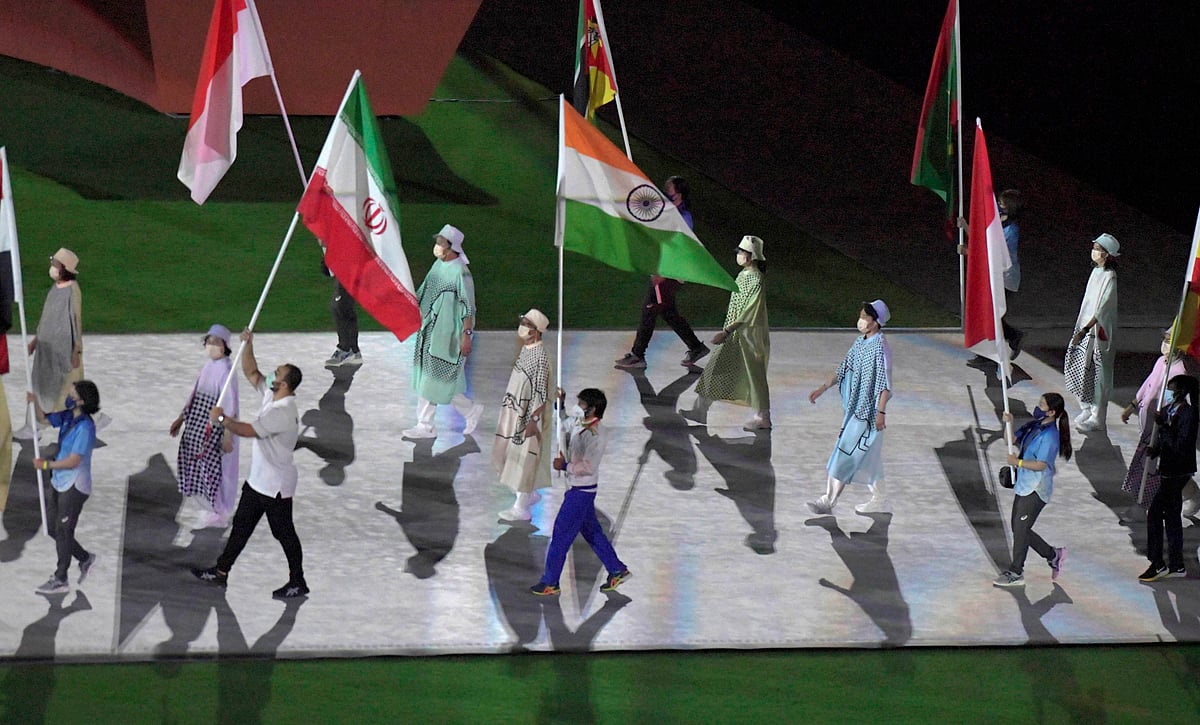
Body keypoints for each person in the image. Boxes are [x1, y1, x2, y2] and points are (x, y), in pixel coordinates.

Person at [192, 330, 308, 600]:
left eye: (277, 373)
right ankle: (220, 572)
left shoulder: (284, 413)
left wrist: (221, 420)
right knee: (240, 528)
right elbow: (251, 372)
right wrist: (248, 345)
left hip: (276, 487)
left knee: (284, 534)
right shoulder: (273, 394)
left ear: (285, 385)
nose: (272, 374)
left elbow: (248, 430)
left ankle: (298, 581)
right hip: (258, 482)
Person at [530, 388, 631, 596]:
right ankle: (617, 569)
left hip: (581, 492)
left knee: (560, 535)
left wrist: (564, 466)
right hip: (577, 489)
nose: (580, 407)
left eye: (582, 404)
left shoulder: (597, 435)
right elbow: (563, 426)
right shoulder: (581, 423)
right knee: (593, 533)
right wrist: (561, 404)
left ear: (593, 408)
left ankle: (551, 582)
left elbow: (588, 466)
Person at [614, 176, 710, 370]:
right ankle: (696, 347)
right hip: (662, 270)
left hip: (671, 274)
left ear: (679, 196)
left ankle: (637, 355)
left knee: (649, 310)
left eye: (669, 191)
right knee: (668, 312)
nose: (665, 194)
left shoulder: (684, 218)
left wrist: (663, 273)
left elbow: (679, 250)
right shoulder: (669, 214)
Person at [807, 300, 893, 515]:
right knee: (868, 459)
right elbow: (844, 368)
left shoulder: (880, 347)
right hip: (855, 410)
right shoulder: (860, 342)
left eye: (865, 316)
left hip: (867, 415)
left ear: (875, 322)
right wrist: (823, 388)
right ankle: (880, 498)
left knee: (844, 454)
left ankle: (828, 500)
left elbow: (885, 384)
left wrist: (880, 413)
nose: (861, 320)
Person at [681, 235, 771, 431]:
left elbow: (749, 310)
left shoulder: (755, 279)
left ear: (750, 256)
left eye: (741, 252)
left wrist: (727, 330)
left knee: (754, 376)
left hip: (747, 337)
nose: (738, 255)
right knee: (716, 370)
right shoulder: (744, 275)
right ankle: (700, 410)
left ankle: (763, 416)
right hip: (736, 335)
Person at [403, 224, 484, 439]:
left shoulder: (461, 273)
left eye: (441, 243)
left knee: (438, 379)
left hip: (449, 336)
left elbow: (469, 307)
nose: (437, 246)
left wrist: (466, 337)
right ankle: (442, 419)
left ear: (452, 247)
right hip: (430, 332)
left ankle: (426, 425)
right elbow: (425, 291)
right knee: (435, 379)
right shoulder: (438, 265)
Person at [28, 380, 101, 595]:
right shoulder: (69, 416)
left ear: (81, 400)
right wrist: (34, 403)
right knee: (53, 528)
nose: (69, 394)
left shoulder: (86, 427)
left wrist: (46, 464)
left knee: (64, 530)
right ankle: (86, 558)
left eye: (72, 392)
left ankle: (61, 577)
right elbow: (44, 418)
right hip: (59, 481)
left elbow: (73, 461)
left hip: (75, 486)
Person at [993, 393, 1072, 588]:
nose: (1037, 407)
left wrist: (1017, 462)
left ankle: (1016, 572)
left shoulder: (1050, 436)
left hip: (1036, 490)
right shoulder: (1034, 425)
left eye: (1041, 405)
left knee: (1020, 530)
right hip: (1024, 485)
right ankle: (1054, 555)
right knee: (1019, 529)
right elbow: (1011, 440)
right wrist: (1008, 423)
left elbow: (1041, 465)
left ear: (1052, 412)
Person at [169, 324, 240, 528]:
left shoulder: (226, 371)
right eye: (208, 341)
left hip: (212, 432)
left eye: (216, 342)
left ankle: (217, 510)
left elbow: (229, 407)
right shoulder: (209, 366)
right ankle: (208, 508)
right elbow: (195, 396)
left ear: (225, 346)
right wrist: (181, 418)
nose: (210, 345)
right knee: (195, 468)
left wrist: (227, 438)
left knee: (211, 470)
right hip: (195, 428)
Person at [1120, 328, 1198, 512]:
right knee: (1163, 469)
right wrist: (1133, 404)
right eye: (1165, 338)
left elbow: (1175, 403)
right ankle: (1194, 495)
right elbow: (1149, 383)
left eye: (1170, 340)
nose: (1165, 343)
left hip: (1160, 430)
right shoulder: (1161, 361)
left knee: (1152, 468)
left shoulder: (1180, 371)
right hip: (1147, 426)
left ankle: (1141, 506)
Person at [16, 248, 83, 439]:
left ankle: (78, 423)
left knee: (64, 392)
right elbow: (46, 319)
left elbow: (76, 321)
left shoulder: (72, 291)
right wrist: (36, 341)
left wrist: (76, 351)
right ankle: (33, 424)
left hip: (62, 352)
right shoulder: (56, 288)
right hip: (45, 349)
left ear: (64, 269)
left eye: (55, 264)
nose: (52, 268)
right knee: (37, 384)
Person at [493, 309, 553, 521]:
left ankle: (522, 508)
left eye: (527, 323)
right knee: (513, 456)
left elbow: (540, 393)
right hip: (516, 413)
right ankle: (527, 495)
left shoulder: (540, 358)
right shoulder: (528, 350)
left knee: (525, 459)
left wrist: (532, 422)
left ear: (536, 331)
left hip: (528, 420)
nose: (522, 326)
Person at [1138, 374, 1198, 581]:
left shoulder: (1188, 415)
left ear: (1180, 392)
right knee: (1172, 516)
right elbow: (1166, 441)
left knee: (1154, 512)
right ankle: (1177, 565)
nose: (1167, 393)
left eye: (1171, 389)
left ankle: (1157, 562)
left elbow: (1181, 445)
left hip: (1179, 471)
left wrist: (1163, 427)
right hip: (1167, 469)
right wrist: (1156, 450)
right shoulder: (1166, 411)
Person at [964, 189, 1026, 370]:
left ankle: (991, 352)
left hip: (1005, 278)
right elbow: (983, 241)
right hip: (991, 275)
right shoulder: (996, 223)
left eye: (1003, 204)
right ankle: (1007, 339)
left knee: (991, 315)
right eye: (999, 202)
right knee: (989, 315)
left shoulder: (1011, 231)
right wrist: (966, 227)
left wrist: (969, 252)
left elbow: (995, 253)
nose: (999, 206)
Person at [1066, 233, 1119, 432]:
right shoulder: (1096, 271)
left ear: (1107, 254)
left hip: (1097, 332)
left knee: (1098, 373)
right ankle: (1085, 407)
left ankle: (1097, 416)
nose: (1094, 251)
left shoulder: (1110, 277)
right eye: (1094, 247)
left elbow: (1102, 309)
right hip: (1084, 329)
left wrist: (1086, 329)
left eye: (1098, 248)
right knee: (1082, 367)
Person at [323, 260, 363, 366]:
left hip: (350, 269)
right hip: (345, 270)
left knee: (341, 307)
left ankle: (347, 349)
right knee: (340, 307)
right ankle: (352, 350)